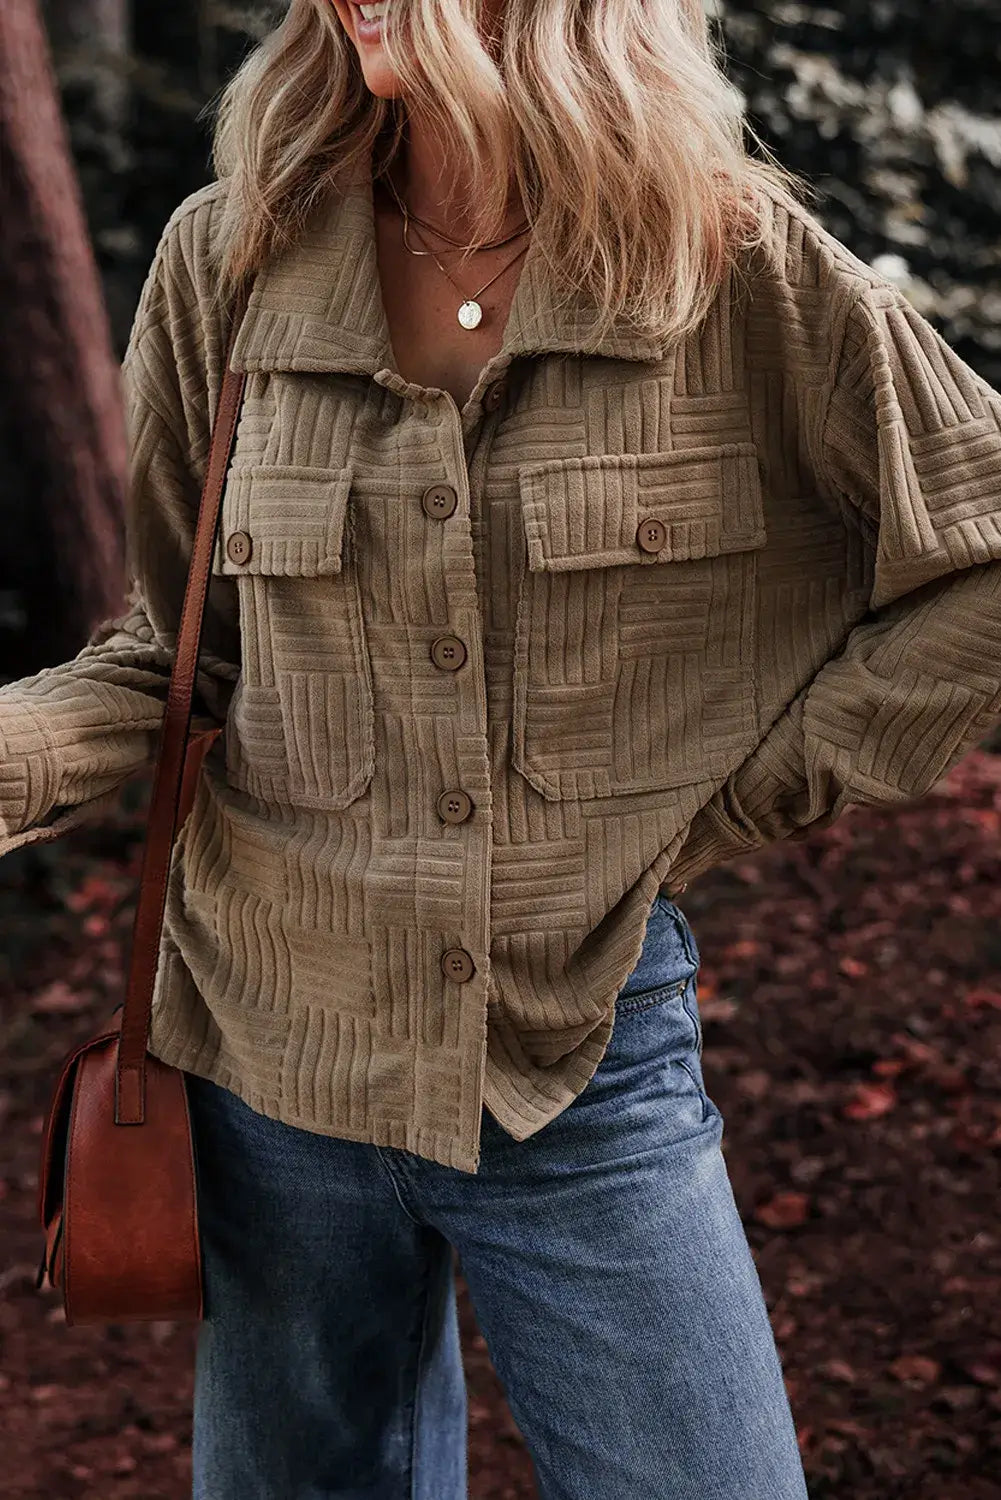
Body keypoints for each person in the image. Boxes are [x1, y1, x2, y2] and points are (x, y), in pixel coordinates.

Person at [3, 0, 1001, 1495]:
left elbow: (978, 554)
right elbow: (179, 657)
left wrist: (745, 795)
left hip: (571, 1056)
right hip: (265, 1053)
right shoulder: (234, 255)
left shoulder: (731, 266)